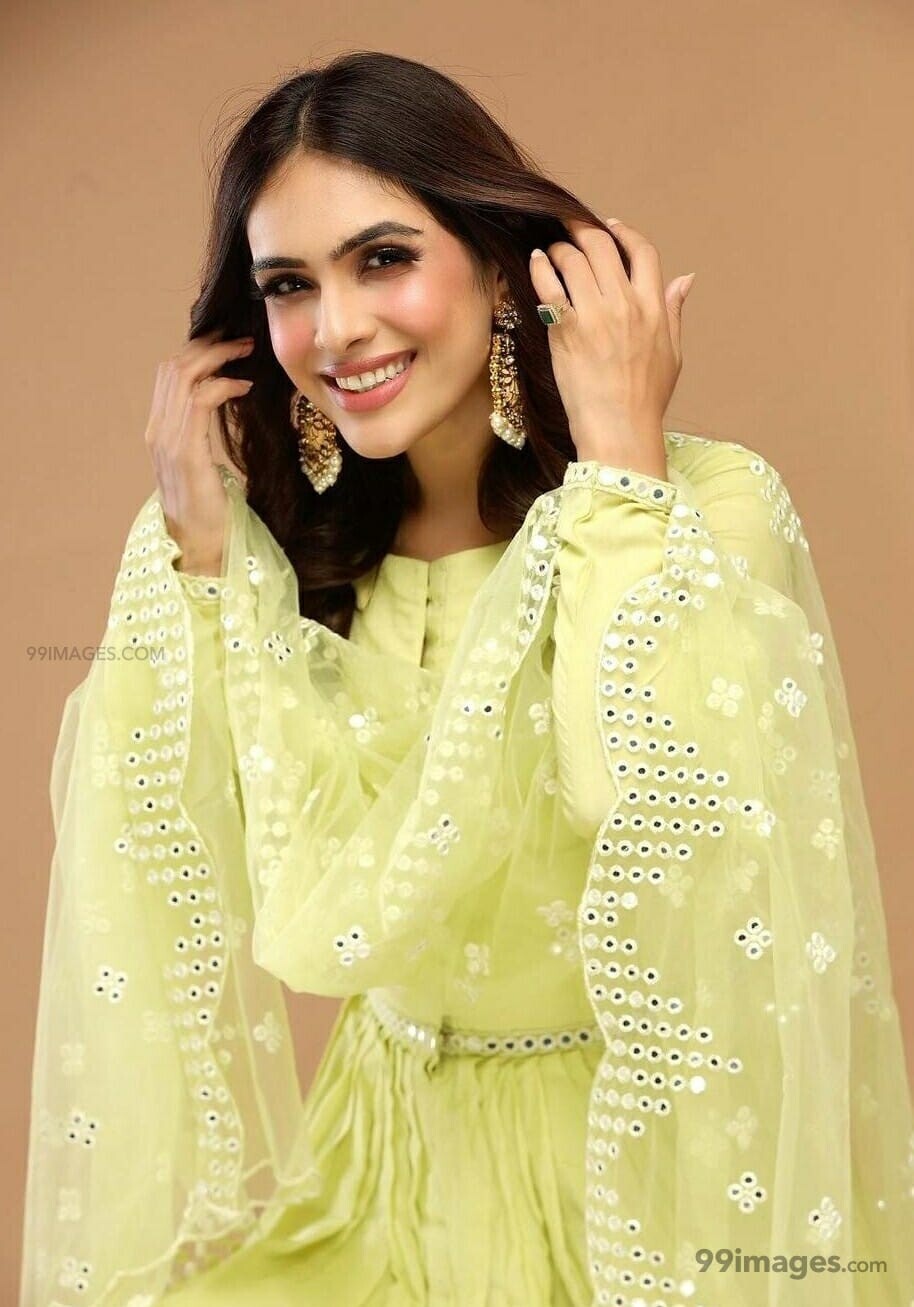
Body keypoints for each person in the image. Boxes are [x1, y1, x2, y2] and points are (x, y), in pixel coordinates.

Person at [19, 49, 914, 1307]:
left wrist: (618, 465)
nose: (335, 329)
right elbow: (190, 873)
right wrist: (205, 564)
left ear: (499, 270)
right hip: (372, 1171)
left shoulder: (703, 509)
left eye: (381, 259)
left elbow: (638, 804)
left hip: (624, 1179)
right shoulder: (277, 550)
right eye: (288, 285)